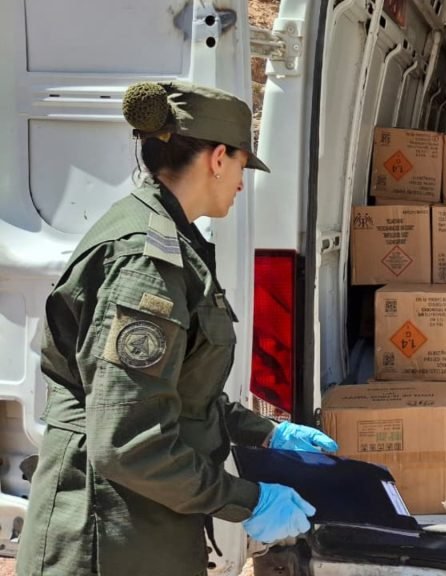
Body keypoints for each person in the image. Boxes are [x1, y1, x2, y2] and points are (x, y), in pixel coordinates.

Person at [16, 81, 338, 576]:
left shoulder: (168, 236)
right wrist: (246, 500)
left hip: (140, 521)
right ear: (218, 159)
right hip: (106, 534)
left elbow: (176, 390)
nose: (242, 182)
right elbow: (128, 442)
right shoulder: (147, 262)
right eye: (243, 165)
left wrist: (267, 433)